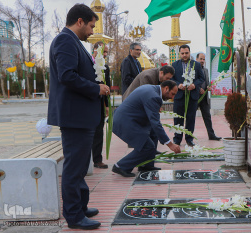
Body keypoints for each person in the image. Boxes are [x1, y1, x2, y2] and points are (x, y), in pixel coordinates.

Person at [48, 4, 110, 230]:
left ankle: (81, 206)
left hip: (81, 115)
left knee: (82, 165)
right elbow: (67, 76)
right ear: (80, 21)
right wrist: (97, 89)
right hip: (74, 116)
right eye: (92, 26)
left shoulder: (73, 42)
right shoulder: (65, 40)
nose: (92, 31)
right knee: (74, 168)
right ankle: (74, 216)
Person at [112, 80, 181, 177]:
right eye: (172, 94)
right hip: (125, 122)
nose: (172, 98)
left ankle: (146, 165)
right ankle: (121, 166)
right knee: (147, 146)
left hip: (129, 119)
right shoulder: (154, 96)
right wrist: (170, 144)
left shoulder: (152, 89)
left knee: (154, 134)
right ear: (166, 89)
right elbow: (156, 123)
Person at [171, 44, 204, 147]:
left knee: (190, 118)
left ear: (190, 53)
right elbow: (171, 78)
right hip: (179, 96)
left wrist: (194, 85)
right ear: (179, 54)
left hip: (192, 96)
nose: (184, 55)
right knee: (178, 118)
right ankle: (177, 139)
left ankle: (189, 139)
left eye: (186, 53)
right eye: (182, 53)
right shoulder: (174, 65)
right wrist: (178, 85)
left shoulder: (196, 65)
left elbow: (201, 78)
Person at [91, 41, 111, 169]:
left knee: (99, 131)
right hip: (88, 102)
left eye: (106, 52)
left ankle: (97, 159)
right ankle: (87, 158)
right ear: (95, 50)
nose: (104, 55)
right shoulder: (88, 63)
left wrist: (107, 104)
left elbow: (107, 86)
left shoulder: (106, 67)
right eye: (103, 52)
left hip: (100, 103)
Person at [196, 53, 221, 141]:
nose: (202, 61)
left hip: (205, 98)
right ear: (197, 59)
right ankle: (188, 137)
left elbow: (207, 82)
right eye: (201, 59)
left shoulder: (206, 70)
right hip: (195, 98)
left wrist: (208, 87)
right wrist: (198, 89)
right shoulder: (193, 69)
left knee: (207, 117)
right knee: (190, 118)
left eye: (203, 59)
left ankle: (211, 135)